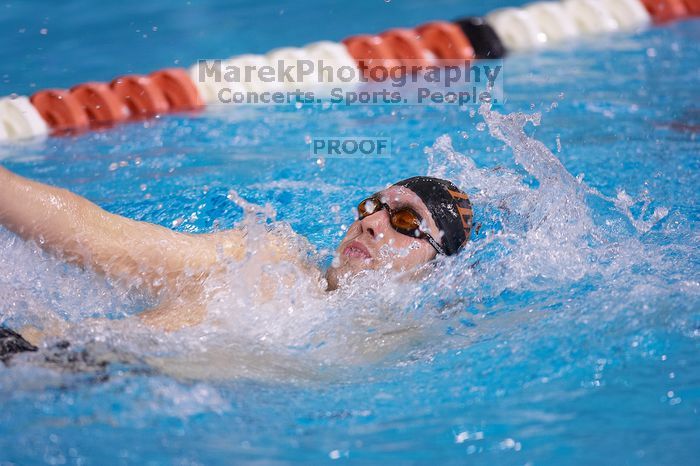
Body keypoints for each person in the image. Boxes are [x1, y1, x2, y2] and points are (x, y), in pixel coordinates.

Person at [0, 165, 473, 334]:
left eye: (406, 221)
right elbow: (106, 240)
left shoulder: (399, 345)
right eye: (372, 206)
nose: (370, 224)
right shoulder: (268, 257)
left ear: (437, 266)